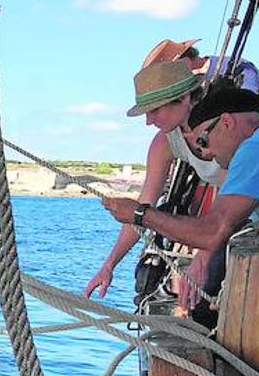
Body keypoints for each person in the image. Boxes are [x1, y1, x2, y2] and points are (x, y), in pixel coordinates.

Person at [103, 85, 259, 311]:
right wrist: (109, 264)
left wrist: (140, 214)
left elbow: (213, 231)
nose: (206, 153)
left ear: (227, 122)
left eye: (203, 142)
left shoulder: (256, 148)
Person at [84, 59, 216, 298]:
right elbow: (143, 206)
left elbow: (233, 206)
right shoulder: (165, 142)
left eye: (155, 110)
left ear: (185, 99)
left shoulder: (224, 128)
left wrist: (204, 257)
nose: (148, 120)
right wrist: (109, 265)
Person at [142, 38, 259, 97]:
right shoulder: (188, 90)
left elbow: (249, 103)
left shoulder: (238, 67)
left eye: (169, 72)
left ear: (184, 60)